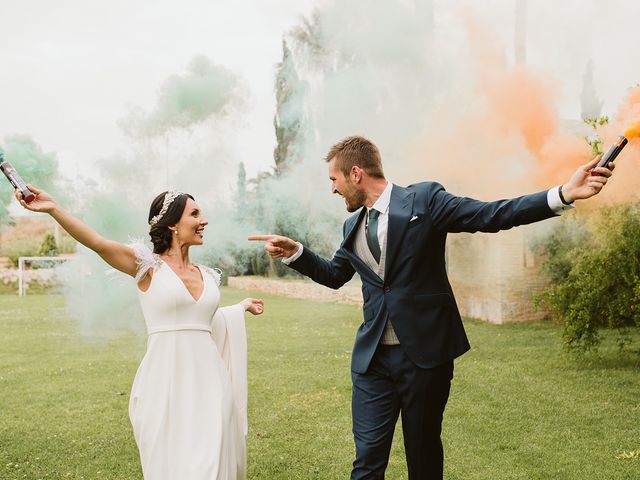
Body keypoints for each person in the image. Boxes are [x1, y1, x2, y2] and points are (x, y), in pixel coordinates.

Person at [249, 135, 614, 479]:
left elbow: (491, 214)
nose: (332, 188)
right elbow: (334, 274)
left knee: (422, 454)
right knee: (368, 458)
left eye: (334, 179)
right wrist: (296, 253)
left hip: (423, 356)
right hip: (372, 361)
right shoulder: (351, 224)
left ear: (356, 173)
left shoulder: (424, 199)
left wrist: (563, 193)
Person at [16, 186, 263, 480]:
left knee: (212, 464)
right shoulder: (147, 267)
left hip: (211, 385)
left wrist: (239, 308)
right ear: (172, 223)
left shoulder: (207, 275)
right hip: (165, 385)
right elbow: (96, 242)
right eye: (195, 214)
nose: (204, 220)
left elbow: (203, 321)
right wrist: (53, 208)